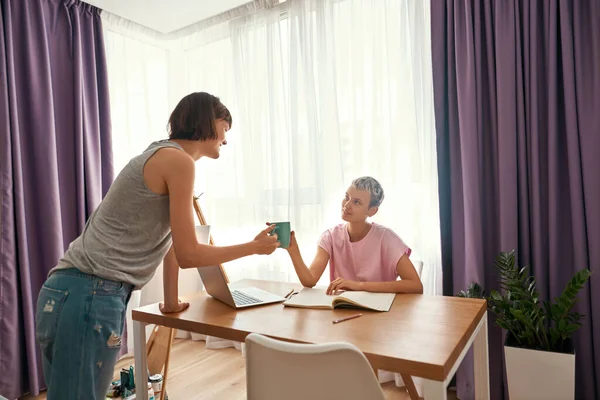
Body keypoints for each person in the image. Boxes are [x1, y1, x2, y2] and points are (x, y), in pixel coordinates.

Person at [35, 92, 280, 400]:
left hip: (68, 291)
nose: (226, 139)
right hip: (92, 294)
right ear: (206, 121)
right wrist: (253, 247)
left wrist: (171, 300)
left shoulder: (161, 155)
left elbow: (173, 246)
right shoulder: (178, 161)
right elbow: (190, 253)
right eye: (225, 128)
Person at [283, 176, 423, 295]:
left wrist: (359, 286)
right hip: (344, 309)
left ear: (372, 211)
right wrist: (293, 251)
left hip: (380, 314)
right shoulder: (330, 237)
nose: (347, 205)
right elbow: (310, 281)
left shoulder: (386, 238)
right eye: (347, 197)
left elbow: (415, 286)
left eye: (356, 202)